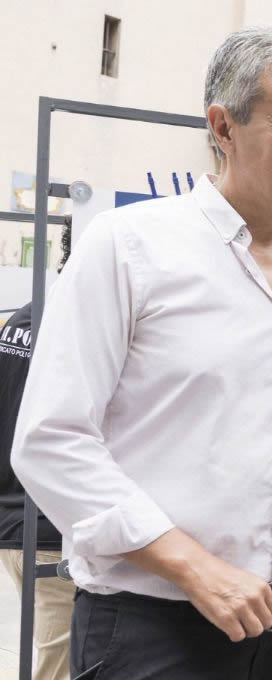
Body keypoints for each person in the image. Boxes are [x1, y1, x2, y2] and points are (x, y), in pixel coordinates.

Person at [12, 27, 272, 679]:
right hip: (149, 628)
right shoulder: (131, 247)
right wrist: (191, 566)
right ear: (223, 126)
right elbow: (50, 440)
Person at [0, 222, 74, 680]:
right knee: (57, 668)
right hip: (49, 530)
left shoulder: (24, 317)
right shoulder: (71, 322)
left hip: (14, 522)